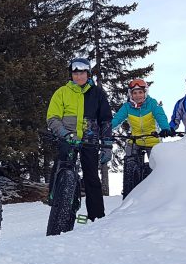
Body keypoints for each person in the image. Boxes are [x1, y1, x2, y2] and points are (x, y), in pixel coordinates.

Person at [45, 57, 113, 222]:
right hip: (68, 139)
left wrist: (107, 145)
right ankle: (58, 208)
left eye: (82, 73)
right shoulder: (62, 92)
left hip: (89, 141)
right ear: (71, 75)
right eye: (75, 73)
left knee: (91, 177)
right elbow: (52, 118)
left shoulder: (97, 93)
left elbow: (105, 120)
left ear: (88, 73)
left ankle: (96, 217)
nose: (79, 76)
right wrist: (65, 134)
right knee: (63, 170)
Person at [110, 79, 174, 197]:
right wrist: (107, 129)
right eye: (134, 93)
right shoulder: (127, 107)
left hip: (152, 139)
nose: (138, 96)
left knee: (157, 165)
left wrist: (165, 128)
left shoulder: (152, 103)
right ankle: (128, 188)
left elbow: (160, 116)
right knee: (129, 161)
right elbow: (116, 120)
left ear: (145, 93)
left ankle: (159, 191)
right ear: (130, 94)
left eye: (140, 92)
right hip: (135, 140)